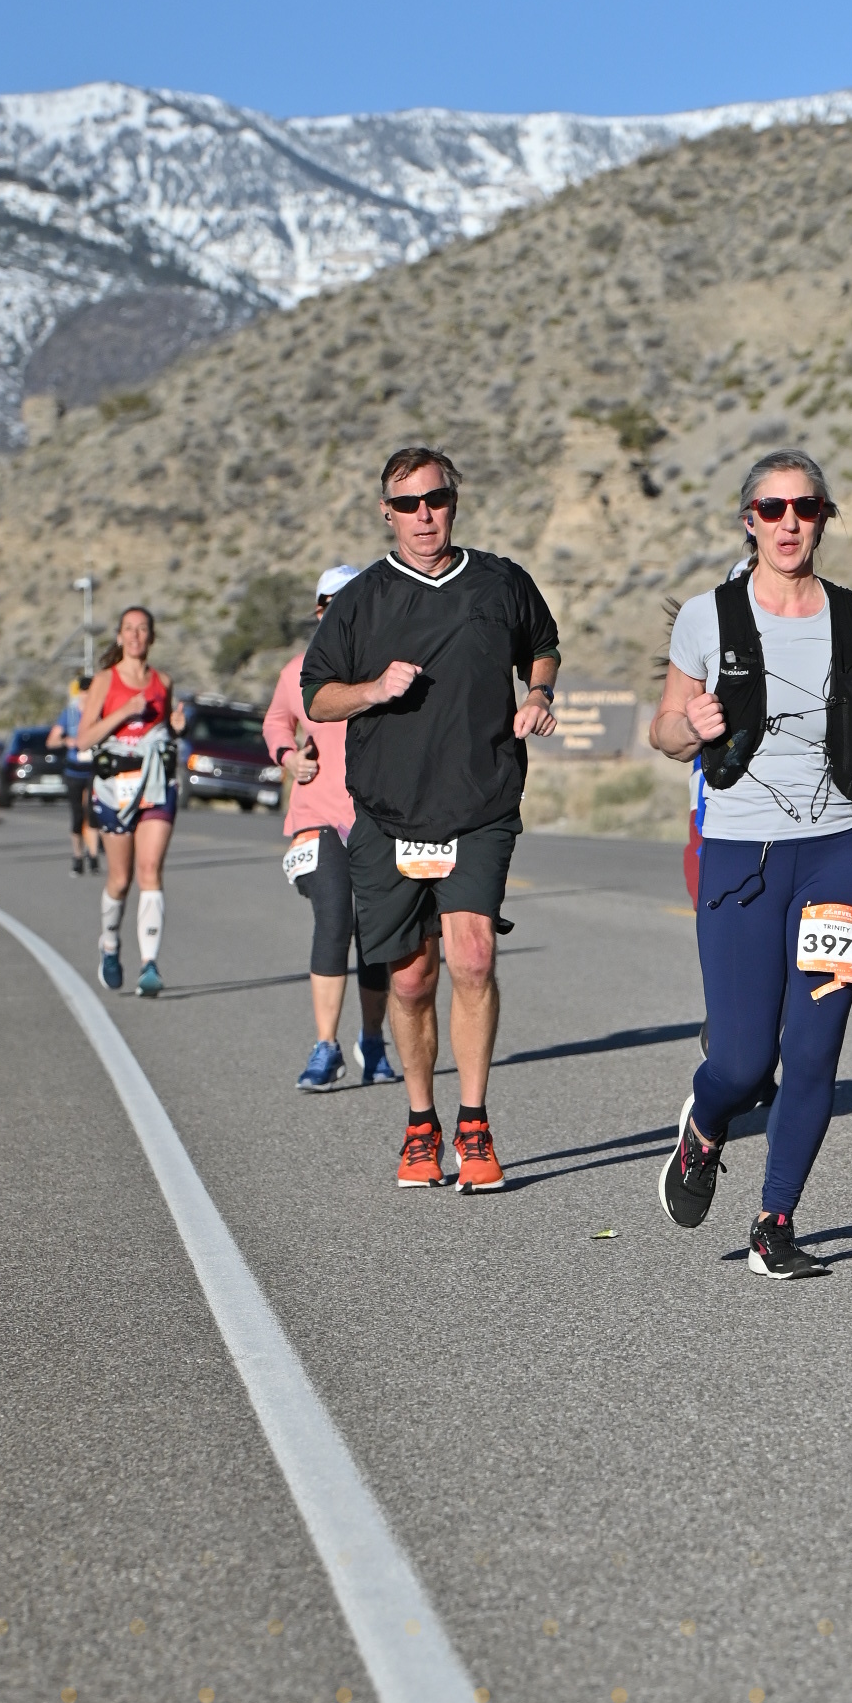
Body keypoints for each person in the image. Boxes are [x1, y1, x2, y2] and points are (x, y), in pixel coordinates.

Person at [648, 451, 852, 1280]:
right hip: (740, 856)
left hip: (837, 856)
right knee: (741, 1061)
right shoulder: (708, 617)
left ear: (824, 517)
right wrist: (690, 726)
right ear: (749, 521)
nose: (789, 522)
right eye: (772, 509)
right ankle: (704, 1128)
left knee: (817, 1052)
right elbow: (663, 732)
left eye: (805, 507)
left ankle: (776, 1222)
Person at [302, 447, 559, 1190]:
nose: (424, 515)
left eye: (436, 499)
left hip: (480, 804)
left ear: (454, 502)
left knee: (473, 958)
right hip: (388, 813)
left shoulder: (500, 581)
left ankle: (475, 1124)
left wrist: (538, 695)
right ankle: (422, 1124)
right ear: (386, 512)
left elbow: (542, 647)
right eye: (408, 503)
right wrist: (373, 690)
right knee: (412, 980)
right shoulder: (361, 600)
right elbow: (318, 695)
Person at [265, 566, 400, 1090]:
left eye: (352, 601)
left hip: (376, 815)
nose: (341, 612)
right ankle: (326, 1047)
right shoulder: (298, 670)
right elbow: (277, 720)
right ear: (320, 610)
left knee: (376, 931)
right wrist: (288, 757)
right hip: (318, 816)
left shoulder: (386, 668)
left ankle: (373, 1040)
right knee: (334, 916)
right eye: (331, 603)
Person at [78, 607, 185, 994]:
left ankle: (149, 966)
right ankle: (109, 943)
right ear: (120, 636)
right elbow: (84, 739)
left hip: (155, 785)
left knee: (150, 869)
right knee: (120, 879)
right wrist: (123, 712)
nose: (136, 636)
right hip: (115, 787)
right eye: (129, 629)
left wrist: (175, 728)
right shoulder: (105, 681)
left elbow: (164, 731)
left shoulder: (162, 682)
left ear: (151, 637)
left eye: (143, 629)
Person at [48, 677, 100, 875]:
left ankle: (93, 856)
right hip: (74, 770)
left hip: (93, 769)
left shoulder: (99, 713)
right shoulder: (69, 714)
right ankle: (77, 856)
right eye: (85, 691)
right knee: (77, 815)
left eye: (91, 691)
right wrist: (66, 740)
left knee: (92, 812)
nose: (87, 696)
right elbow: (51, 741)